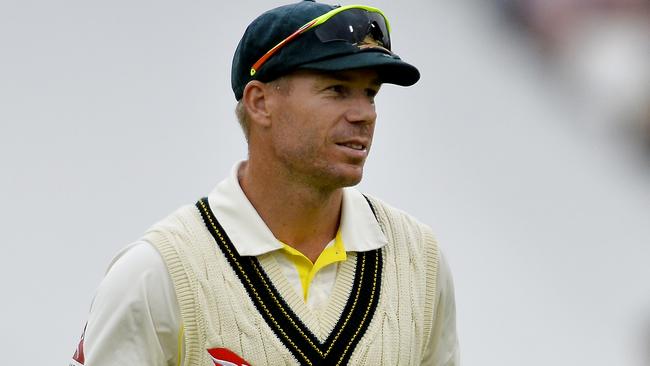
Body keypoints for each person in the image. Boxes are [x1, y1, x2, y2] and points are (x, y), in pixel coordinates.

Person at [70, 1, 459, 365]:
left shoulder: (418, 260)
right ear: (259, 103)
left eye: (370, 94)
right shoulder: (157, 272)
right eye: (337, 90)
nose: (364, 114)